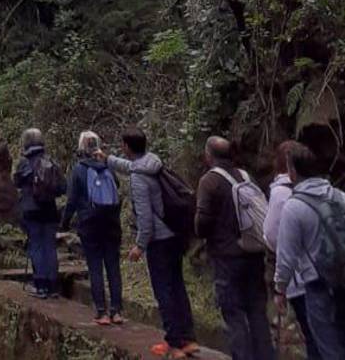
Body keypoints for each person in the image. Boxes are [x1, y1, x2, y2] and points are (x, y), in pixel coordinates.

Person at [102, 128, 199, 359]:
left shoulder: (138, 178)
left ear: (127, 147)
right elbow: (130, 167)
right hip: (175, 236)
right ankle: (188, 339)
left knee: (163, 291)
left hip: (159, 241)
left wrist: (139, 245)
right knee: (177, 287)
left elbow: (145, 218)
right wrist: (106, 159)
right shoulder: (153, 163)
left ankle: (173, 344)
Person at [195, 136, 275, 360]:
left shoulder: (209, 181)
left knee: (234, 314)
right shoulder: (246, 176)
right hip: (253, 253)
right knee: (257, 311)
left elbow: (201, 225)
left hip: (226, 258)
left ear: (209, 155)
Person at [272, 144, 345, 360]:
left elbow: (286, 256)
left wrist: (280, 289)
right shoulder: (339, 196)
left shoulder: (293, 207)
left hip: (318, 285)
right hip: (343, 278)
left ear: (293, 172)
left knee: (328, 346)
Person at [264, 141, 323, 360]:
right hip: (330, 271)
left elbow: (271, 235)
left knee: (313, 335)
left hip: (301, 278)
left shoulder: (281, 194)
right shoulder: (329, 192)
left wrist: (280, 288)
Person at [61, 131, 125, 324]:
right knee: (113, 267)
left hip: (90, 225)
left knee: (95, 267)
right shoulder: (107, 167)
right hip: (112, 224)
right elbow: (117, 187)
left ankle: (101, 312)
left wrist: (64, 223)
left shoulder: (79, 169)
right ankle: (117, 311)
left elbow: (71, 200)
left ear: (81, 148)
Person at [13, 128, 64, 299]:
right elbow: (62, 187)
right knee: (50, 246)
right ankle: (53, 285)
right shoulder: (51, 161)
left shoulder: (24, 163)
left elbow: (16, 182)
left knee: (36, 245)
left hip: (31, 210)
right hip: (49, 210)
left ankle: (40, 284)